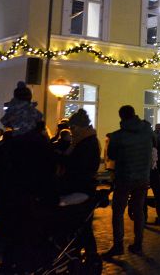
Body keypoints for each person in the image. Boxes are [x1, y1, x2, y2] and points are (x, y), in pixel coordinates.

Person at [0, 81, 57, 271]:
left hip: (11, 202)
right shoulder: (42, 144)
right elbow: (50, 172)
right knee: (29, 243)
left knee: (12, 243)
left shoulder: (8, 145)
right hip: (34, 202)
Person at [103, 105, 154, 258]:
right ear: (134, 114)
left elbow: (111, 155)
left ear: (121, 117)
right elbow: (154, 143)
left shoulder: (118, 136)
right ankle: (138, 243)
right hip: (143, 177)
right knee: (138, 210)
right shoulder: (147, 129)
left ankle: (118, 245)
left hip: (125, 177)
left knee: (118, 211)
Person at [59, 109, 101, 261]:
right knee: (82, 225)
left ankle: (88, 256)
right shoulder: (81, 141)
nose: (71, 131)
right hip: (80, 187)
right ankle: (82, 253)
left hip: (82, 188)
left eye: (73, 128)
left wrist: (63, 160)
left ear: (81, 127)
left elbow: (79, 166)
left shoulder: (87, 143)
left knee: (81, 224)